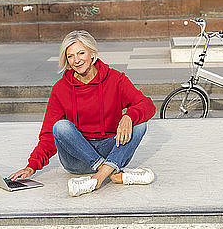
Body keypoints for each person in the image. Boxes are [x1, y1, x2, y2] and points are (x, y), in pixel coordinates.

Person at [9, 30, 156, 197]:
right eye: (70, 56)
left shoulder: (115, 79)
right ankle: (110, 172)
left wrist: (129, 116)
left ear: (92, 53)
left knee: (140, 124)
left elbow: (148, 105)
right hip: (77, 158)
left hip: (110, 150)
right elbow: (49, 134)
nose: (76, 60)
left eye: (81, 53)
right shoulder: (61, 88)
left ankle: (99, 176)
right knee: (61, 127)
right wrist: (31, 166)